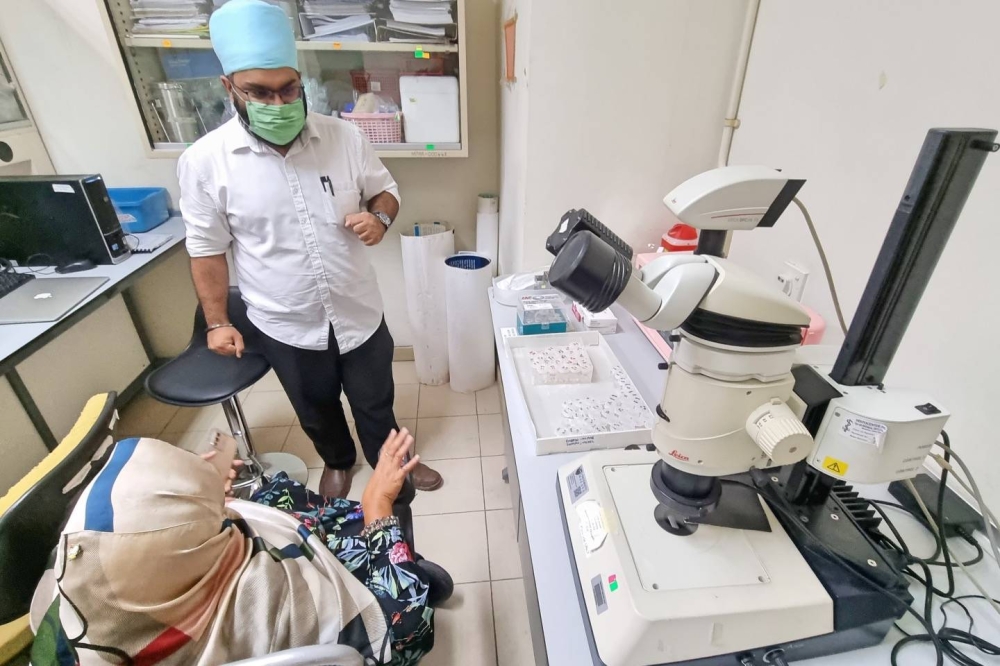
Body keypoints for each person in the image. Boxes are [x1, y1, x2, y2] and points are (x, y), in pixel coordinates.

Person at [177, 0, 442, 498]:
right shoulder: (205, 162)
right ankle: (338, 462)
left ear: (301, 81)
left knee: (375, 402)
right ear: (228, 88)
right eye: (258, 92)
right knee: (315, 407)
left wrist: (380, 218)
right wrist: (217, 321)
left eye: (287, 89)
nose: (277, 104)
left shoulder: (344, 137)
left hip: (357, 310)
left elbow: (386, 190)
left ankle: (395, 467)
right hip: (285, 322)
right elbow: (206, 249)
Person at [30, 429, 439, 665]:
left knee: (276, 495)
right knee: (401, 569)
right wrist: (377, 507)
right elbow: (405, 630)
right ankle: (407, 560)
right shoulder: (268, 606)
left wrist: (203, 494)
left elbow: (134, 524)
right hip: (370, 613)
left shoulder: (91, 591)